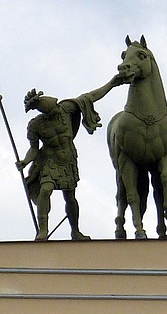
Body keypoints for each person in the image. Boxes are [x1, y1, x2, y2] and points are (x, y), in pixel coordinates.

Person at [17, 75, 121, 240]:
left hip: (68, 160)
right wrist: (25, 161)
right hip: (49, 160)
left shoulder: (66, 109)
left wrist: (112, 84)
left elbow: (90, 97)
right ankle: (42, 230)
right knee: (45, 190)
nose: (55, 112)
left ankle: (75, 231)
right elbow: (34, 150)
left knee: (70, 197)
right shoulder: (36, 125)